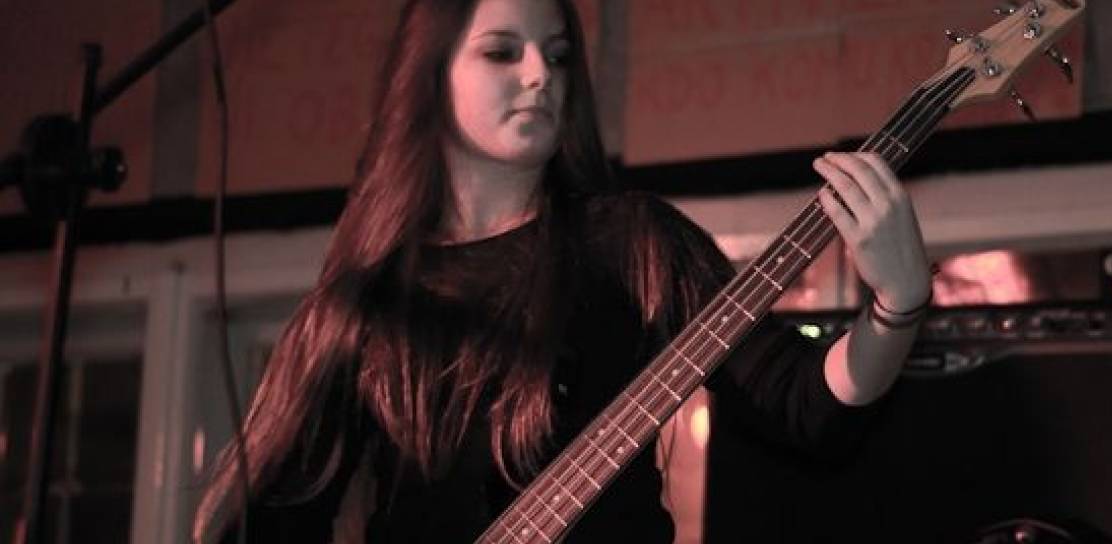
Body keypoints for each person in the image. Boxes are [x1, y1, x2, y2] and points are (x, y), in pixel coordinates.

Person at [193, 0, 932, 542]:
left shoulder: (635, 243)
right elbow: (270, 520)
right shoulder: (368, 301)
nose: (539, 74)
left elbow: (802, 404)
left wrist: (896, 304)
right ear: (430, 76)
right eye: (501, 52)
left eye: (557, 54)